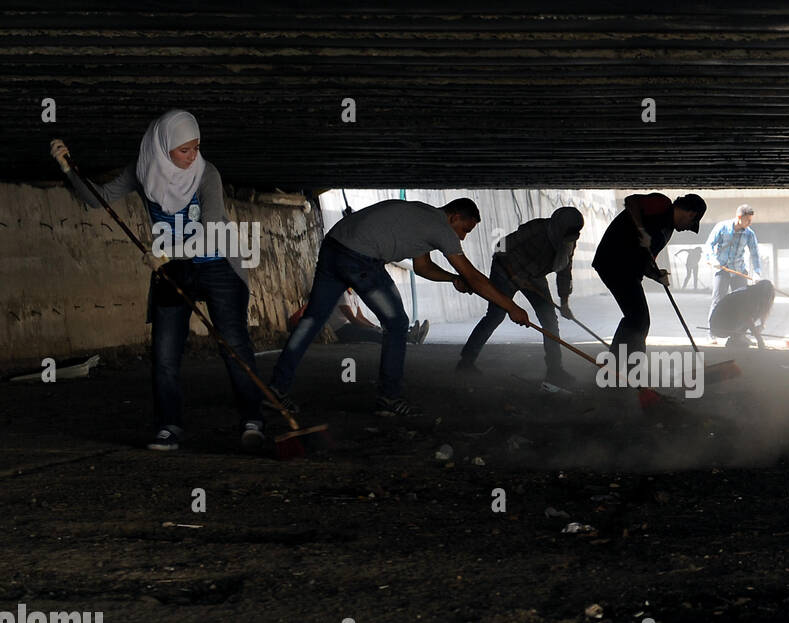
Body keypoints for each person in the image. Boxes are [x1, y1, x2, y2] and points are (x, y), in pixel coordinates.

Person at [49, 111, 265, 453]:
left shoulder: (207, 174)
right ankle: (169, 427)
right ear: (163, 148)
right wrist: (68, 170)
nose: (192, 155)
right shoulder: (142, 171)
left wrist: (167, 254)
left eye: (196, 147)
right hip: (173, 269)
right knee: (164, 353)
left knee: (233, 344)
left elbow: (211, 233)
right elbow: (97, 200)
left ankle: (253, 421)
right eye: (184, 150)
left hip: (218, 264)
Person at [269, 197, 529, 416]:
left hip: (333, 247)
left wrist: (452, 279)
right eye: (464, 229)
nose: (461, 237)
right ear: (454, 217)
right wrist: (511, 307)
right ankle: (389, 397)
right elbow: (474, 277)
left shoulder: (421, 218)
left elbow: (423, 267)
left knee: (312, 320)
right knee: (397, 324)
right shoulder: (441, 229)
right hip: (360, 258)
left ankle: (275, 390)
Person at [457, 207, 584, 385]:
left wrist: (564, 303)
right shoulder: (537, 228)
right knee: (495, 316)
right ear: (558, 226)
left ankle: (555, 370)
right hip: (506, 272)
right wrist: (514, 275)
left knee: (549, 321)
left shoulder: (569, 241)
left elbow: (564, 272)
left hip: (534, 278)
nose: (567, 239)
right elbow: (501, 247)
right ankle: (466, 362)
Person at [591, 192, 706, 362]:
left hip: (630, 271)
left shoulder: (667, 232)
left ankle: (621, 366)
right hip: (613, 261)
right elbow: (631, 201)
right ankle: (622, 367)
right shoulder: (662, 204)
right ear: (691, 214)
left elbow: (647, 262)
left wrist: (657, 275)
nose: (687, 228)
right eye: (691, 224)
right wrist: (641, 230)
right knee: (638, 318)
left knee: (639, 319)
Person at [287, 290, 428, 345]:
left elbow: (360, 316)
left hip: (350, 327)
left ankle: (408, 334)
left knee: (376, 330)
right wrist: (372, 328)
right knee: (374, 334)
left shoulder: (353, 294)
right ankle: (409, 338)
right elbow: (353, 319)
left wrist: (373, 325)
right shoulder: (341, 293)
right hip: (341, 330)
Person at [706, 204, 762, 320]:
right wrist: (712, 259)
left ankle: (738, 334)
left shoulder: (749, 234)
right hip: (722, 270)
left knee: (742, 303)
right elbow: (709, 244)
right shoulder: (722, 227)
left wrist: (757, 273)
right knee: (718, 301)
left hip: (739, 271)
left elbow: (755, 254)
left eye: (751, 220)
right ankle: (712, 334)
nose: (750, 223)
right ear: (739, 217)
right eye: (748, 220)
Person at [709, 279, 775, 349]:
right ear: (761, 293)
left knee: (754, 311)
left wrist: (762, 325)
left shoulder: (755, 294)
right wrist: (759, 339)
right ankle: (736, 338)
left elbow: (765, 309)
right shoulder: (747, 296)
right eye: (765, 298)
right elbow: (747, 318)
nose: (766, 300)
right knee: (749, 313)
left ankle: (739, 336)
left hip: (727, 322)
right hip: (718, 326)